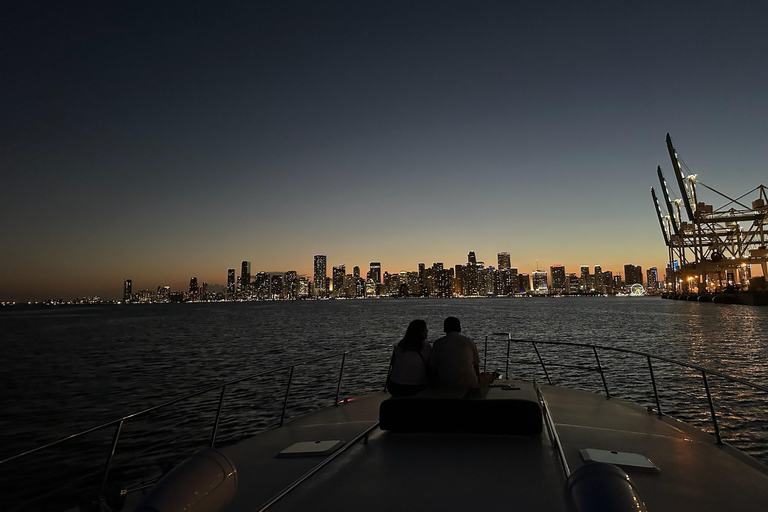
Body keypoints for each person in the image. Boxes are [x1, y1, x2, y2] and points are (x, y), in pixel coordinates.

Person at [428, 317, 494, 389]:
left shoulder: (438, 343)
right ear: (459, 328)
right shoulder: (469, 342)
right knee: (487, 376)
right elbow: (476, 365)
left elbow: (433, 366)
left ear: (445, 328)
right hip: (469, 384)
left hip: (444, 384)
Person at [386, 319, 432, 397]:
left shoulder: (399, 346)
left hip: (395, 387)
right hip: (416, 388)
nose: (427, 331)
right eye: (425, 329)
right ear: (421, 331)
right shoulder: (426, 347)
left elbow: (393, 366)